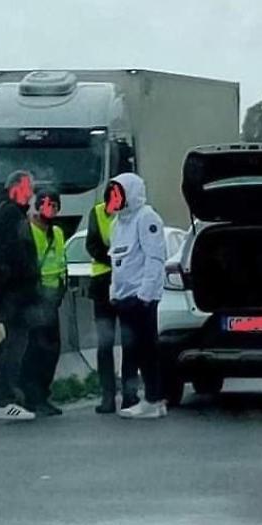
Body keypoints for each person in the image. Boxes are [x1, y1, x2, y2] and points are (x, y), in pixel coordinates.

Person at [108, 172, 168, 419]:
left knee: (147, 349)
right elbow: (117, 262)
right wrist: (114, 291)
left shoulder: (147, 218)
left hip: (141, 298)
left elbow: (155, 258)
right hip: (124, 298)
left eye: (118, 193)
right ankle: (137, 398)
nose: (113, 198)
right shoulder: (116, 224)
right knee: (131, 351)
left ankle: (154, 399)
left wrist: (145, 294)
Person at [0, 170, 41, 421]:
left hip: (2, 292)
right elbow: (14, 255)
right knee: (14, 345)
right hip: (14, 294)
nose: (31, 194)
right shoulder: (9, 213)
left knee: (5, 344)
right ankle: (3, 398)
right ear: (17, 187)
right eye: (28, 188)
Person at [21, 189, 68, 417]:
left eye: (55, 206)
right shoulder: (28, 231)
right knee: (35, 351)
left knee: (52, 350)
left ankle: (43, 395)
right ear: (38, 206)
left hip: (53, 299)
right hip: (34, 300)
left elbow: (61, 262)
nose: (52, 210)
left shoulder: (57, 232)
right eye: (48, 205)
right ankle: (33, 397)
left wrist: (61, 288)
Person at [86, 185, 124, 413]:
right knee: (105, 343)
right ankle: (107, 395)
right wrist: (115, 260)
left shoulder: (130, 214)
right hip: (103, 283)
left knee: (130, 340)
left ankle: (129, 393)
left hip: (127, 283)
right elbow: (91, 244)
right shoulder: (97, 212)